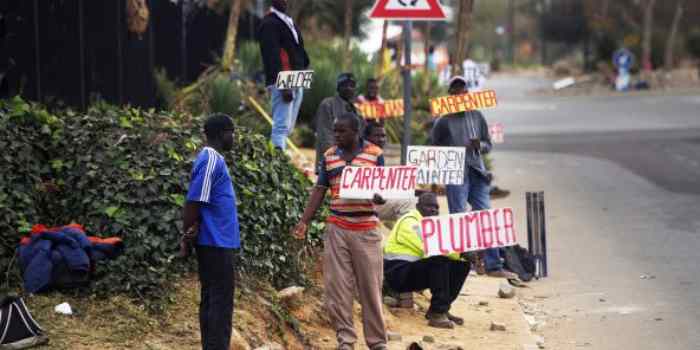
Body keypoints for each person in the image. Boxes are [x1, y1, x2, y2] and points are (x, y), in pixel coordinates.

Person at [292, 113, 388, 350]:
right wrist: (304, 221)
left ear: (356, 132)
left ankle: (377, 343)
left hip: (366, 230)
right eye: (335, 131)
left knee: (371, 288)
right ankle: (346, 340)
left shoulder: (375, 154)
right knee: (338, 288)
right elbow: (319, 189)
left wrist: (379, 196)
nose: (336, 136)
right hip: (337, 228)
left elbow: (384, 190)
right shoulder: (329, 156)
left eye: (341, 131)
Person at [431, 76, 517, 280]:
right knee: (459, 216)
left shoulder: (477, 116)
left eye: (463, 91)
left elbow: (488, 144)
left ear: (467, 94)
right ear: (450, 95)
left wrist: (481, 146)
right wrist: (452, 154)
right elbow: (434, 147)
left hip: (477, 171)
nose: (460, 95)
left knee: (486, 215)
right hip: (456, 173)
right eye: (455, 91)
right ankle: (464, 264)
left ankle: (493, 264)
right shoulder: (443, 120)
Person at [181, 114, 241, 350]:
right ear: (221, 133)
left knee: (212, 300)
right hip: (215, 243)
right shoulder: (210, 159)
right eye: (232, 132)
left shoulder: (214, 160)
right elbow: (194, 200)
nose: (233, 137)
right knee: (219, 304)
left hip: (219, 241)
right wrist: (186, 235)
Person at [384, 192, 470, 329]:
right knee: (439, 259)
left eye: (436, 208)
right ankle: (437, 313)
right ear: (418, 206)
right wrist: (459, 252)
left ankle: (441, 309)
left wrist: (463, 255)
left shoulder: (432, 226)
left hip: (413, 271)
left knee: (462, 264)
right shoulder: (410, 222)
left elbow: (447, 248)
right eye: (429, 206)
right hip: (397, 274)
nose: (433, 210)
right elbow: (430, 246)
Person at [258, 0, 310, 150]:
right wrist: (283, 84)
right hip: (283, 80)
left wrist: (305, 66)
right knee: (281, 127)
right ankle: (277, 164)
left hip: (297, 78)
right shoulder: (269, 23)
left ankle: (280, 162)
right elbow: (271, 55)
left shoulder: (288, 20)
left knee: (288, 128)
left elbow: (298, 48)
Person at [364, 121, 415, 223]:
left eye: (383, 136)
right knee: (407, 202)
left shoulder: (377, 153)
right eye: (377, 136)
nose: (381, 139)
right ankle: (406, 235)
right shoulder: (369, 153)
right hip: (364, 203)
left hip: (372, 200)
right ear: (367, 137)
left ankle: (399, 232)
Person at [313, 72, 359, 172]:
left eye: (352, 85)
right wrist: (337, 159)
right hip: (331, 163)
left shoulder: (355, 109)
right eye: (344, 85)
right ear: (338, 88)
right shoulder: (328, 104)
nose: (348, 88)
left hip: (351, 165)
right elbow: (325, 135)